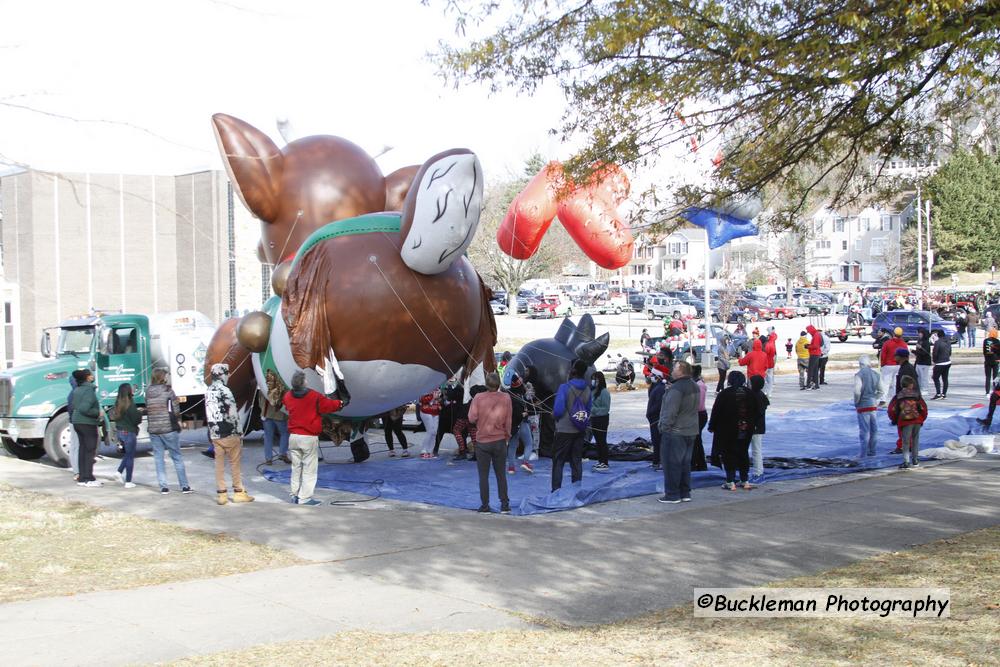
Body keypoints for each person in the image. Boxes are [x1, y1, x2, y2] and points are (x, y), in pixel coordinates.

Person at [283, 369, 346, 505]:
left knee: (296, 468)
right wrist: (340, 403)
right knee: (309, 469)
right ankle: (305, 498)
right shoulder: (314, 396)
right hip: (308, 437)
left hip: (293, 436)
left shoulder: (287, 396)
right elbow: (328, 406)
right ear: (304, 382)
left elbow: (289, 406)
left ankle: (294, 494)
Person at [205, 363, 253, 505]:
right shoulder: (225, 391)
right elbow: (233, 414)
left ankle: (222, 494)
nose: (228, 376)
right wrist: (239, 431)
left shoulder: (208, 391)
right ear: (222, 375)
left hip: (215, 433)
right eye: (227, 373)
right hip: (230, 433)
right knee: (234, 463)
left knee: (219, 464)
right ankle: (238, 492)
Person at [468, 372, 512, 512]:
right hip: (499, 440)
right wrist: (507, 436)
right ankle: (504, 504)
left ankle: (485, 505)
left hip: (482, 441)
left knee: (483, 476)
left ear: (486, 384)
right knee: (501, 475)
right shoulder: (506, 398)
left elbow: (471, 418)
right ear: (499, 383)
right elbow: (508, 420)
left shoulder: (478, 398)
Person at [657, 361, 700, 503]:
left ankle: (672, 494)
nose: (672, 371)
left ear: (681, 371)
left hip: (676, 431)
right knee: (685, 464)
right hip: (690, 430)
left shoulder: (676, 388)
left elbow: (670, 412)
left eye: (674, 368)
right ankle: (685, 492)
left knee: (672, 464)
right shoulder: (694, 385)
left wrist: (663, 427)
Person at [708, 370, 757, 490]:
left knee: (728, 453)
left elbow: (716, 412)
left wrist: (712, 426)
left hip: (727, 429)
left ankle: (730, 481)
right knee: (743, 453)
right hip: (746, 429)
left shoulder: (724, 394)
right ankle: (744, 480)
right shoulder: (750, 393)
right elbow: (756, 412)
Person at [146, 368, 192, 494]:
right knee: (176, 457)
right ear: (162, 377)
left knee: (159, 458)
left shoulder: (148, 391)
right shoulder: (168, 391)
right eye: (165, 376)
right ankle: (184, 486)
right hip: (168, 428)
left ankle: (163, 487)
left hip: (154, 429)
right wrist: (179, 421)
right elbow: (175, 409)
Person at [551, 359, 592, 492]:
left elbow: (558, 410)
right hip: (579, 429)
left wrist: (554, 416)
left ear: (573, 371)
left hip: (564, 429)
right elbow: (588, 410)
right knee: (576, 460)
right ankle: (576, 490)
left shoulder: (565, 387)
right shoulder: (587, 389)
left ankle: (556, 491)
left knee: (559, 461)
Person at [69, 369, 102, 487]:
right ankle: (88, 478)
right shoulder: (89, 390)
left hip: (77, 421)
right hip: (87, 422)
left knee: (82, 449)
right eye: (91, 374)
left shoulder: (77, 390)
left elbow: (74, 405)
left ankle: (82, 477)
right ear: (87, 377)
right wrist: (97, 413)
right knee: (89, 450)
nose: (93, 376)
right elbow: (84, 408)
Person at [888, 375, 927, 469]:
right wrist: (922, 419)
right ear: (911, 384)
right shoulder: (917, 395)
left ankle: (906, 461)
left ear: (902, 385)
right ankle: (915, 460)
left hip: (905, 421)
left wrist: (894, 420)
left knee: (905, 442)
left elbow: (891, 410)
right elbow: (924, 408)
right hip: (917, 420)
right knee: (915, 440)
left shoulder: (898, 396)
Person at [112, 383, 141, 488]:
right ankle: (128, 481)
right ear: (129, 391)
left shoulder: (117, 403)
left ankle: (119, 472)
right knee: (130, 457)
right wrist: (140, 413)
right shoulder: (130, 405)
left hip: (120, 432)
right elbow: (136, 420)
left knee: (128, 454)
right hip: (129, 432)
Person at [853, 355, 882, 458]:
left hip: (863, 405)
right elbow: (881, 391)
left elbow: (857, 391)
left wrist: (857, 402)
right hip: (873, 405)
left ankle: (863, 453)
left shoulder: (859, 375)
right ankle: (872, 451)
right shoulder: (876, 374)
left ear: (860, 364)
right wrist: (875, 398)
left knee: (864, 431)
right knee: (874, 430)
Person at [505, 374, 534, 474]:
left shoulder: (508, 394)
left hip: (512, 425)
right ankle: (526, 462)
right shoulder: (519, 396)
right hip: (521, 422)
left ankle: (511, 468)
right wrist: (524, 413)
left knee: (512, 446)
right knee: (529, 443)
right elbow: (522, 411)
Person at [589, 371, 612, 473]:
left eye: (596, 379)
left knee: (602, 440)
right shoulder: (593, 391)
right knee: (597, 441)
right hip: (594, 418)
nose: (594, 381)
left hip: (602, 419)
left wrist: (593, 409)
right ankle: (600, 460)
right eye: (593, 379)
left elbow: (606, 408)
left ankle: (605, 462)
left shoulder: (604, 392)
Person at [259, 392, 289, 465]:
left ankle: (268, 458)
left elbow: (260, 401)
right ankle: (282, 453)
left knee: (268, 436)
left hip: (266, 414)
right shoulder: (281, 387)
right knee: (285, 433)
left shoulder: (264, 385)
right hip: (280, 414)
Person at [878, 327, 908, 404]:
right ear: (901, 335)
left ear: (894, 333)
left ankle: (883, 399)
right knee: (895, 383)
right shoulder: (903, 344)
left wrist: (882, 364)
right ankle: (894, 398)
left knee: (885, 383)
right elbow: (906, 356)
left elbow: (883, 355)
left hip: (888, 365)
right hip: (898, 365)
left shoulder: (888, 343)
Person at [645, 367, 667, 471]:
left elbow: (658, 405)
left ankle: (660, 462)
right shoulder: (655, 387)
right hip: (653, 418)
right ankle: (656, 461)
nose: (650, 377)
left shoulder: (660, 389)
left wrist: (650, 414)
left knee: (658, 442)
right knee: (655, 441)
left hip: (656, 419)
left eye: (652, 375)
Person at [435, 377, 463, 456]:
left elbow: (456, 396)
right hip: (444, 413)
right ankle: (435, 448)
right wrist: (442, 400)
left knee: (458, 432)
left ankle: (462, 450)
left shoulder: (459, 385)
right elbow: (440, 396)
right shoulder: (443, 383)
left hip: (455, 413)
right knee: (440, 432)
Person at [748, 374, 769, 482]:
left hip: (755, 427)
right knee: (756, 449)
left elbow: (757, 413)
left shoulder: (756, 396)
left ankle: (758, 472)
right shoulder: (759, 395)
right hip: (756, 426)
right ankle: (757, 471)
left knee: (756, 450)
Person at [691, 364, 709, 471]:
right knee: (696, 440)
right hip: (697, 414)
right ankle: (700, 463)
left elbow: (698, 404)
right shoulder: (696, 384)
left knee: (695, 440)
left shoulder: (699, 385)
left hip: (699, 415)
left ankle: (697, 463)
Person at [417, 389, 441, 458]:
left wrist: (439, 402)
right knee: (430, 431)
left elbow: (438, 400)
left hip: (435, 412)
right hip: (426, 411)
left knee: (434, 432)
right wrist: (433, 396)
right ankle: (423, 450)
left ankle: (430, 450)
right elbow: (422, 400)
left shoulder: (438, 389)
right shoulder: (425, 388)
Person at [66, 373, 80, 480]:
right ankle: (77, 471)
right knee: (77, 447)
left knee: (74, 447)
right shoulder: (77, 393)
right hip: (77, 422)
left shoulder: (71, 394)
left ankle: (76, 471)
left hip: (72, 422)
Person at [931, 331, 952, 400]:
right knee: (945, 379)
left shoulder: (937, 342)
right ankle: (944, 394)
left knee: (935, 377)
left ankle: (938, 393)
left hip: (940, 363)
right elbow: (950, 352)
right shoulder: (948, 342)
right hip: (947, 362)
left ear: (938, 336)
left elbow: (935, 353)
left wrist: (934, 361)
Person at [914, 329, 933, 398]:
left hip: (925, 362)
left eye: (920, 333)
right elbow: (918, 352)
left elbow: (925, 353)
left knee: (924, 377)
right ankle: (918, 389)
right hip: (919, 361)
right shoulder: (919, 341)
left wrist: (920, 348)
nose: (919, 334)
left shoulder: (926, 342)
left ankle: (925, 389)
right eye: (919, 333)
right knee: (918, 376)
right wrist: (914, 351)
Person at [983, 329, 1000, 395]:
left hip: (987, 361)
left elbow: (984, 351)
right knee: (995, 377)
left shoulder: (985, 341)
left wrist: (986, 357)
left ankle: (987, 392)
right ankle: (994, 391)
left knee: (988, 377)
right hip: (995, 361)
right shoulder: (997, 341)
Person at [805, 324, 822, 390]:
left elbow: (815, 346)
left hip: (814, 354)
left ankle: (809, 385)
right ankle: (816, 385)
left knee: (810, 370)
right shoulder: (816, 334)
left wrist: (808, 346)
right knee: (815, 370)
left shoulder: (816, 336)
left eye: (808, 331)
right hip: (816, 353)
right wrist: (809, 345)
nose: (808, 332)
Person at [763, 328, 778, 395]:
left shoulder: (768, 344)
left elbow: (766, 353)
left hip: (767, 362)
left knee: (766, 377)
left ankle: (766, 390)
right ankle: (770, 391)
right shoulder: (772, 343)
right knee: (770, 376)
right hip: (771, 361)